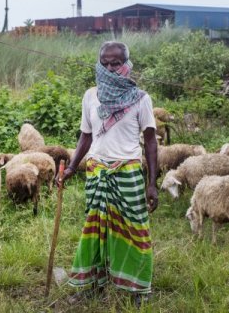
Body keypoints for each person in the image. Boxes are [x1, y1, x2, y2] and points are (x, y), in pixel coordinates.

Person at [59, 41, 158, 306]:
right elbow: (85, 135)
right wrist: (70, 167)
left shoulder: (140, 98)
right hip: (97, 172)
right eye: (105, 63)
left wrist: (152, 184)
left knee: (134, 230)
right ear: (99, 63)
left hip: (127, 172)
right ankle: (92, 284)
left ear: (127, 64)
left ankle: (137, 289)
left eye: (116, 63)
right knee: (95, 230)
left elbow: (150, 141)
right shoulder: (91, 96)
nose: (111, 68)